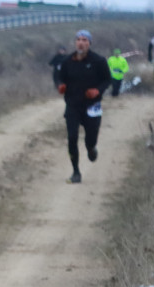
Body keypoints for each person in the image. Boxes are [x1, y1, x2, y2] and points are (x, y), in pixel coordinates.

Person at [56, 29, 112, 184]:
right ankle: (76, 172)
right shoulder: (67, 61)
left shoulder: (99, 61)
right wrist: (60, 85)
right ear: (75, 42)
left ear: (89, 43)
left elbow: (107, 80)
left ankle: (91, 148)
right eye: (79, 39)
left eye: (85, 40)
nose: (81, 42)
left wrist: (97, 90)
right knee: (72, 138)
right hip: (73, 105)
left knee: (90, 140)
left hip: (92, 106)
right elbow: (59, 77)